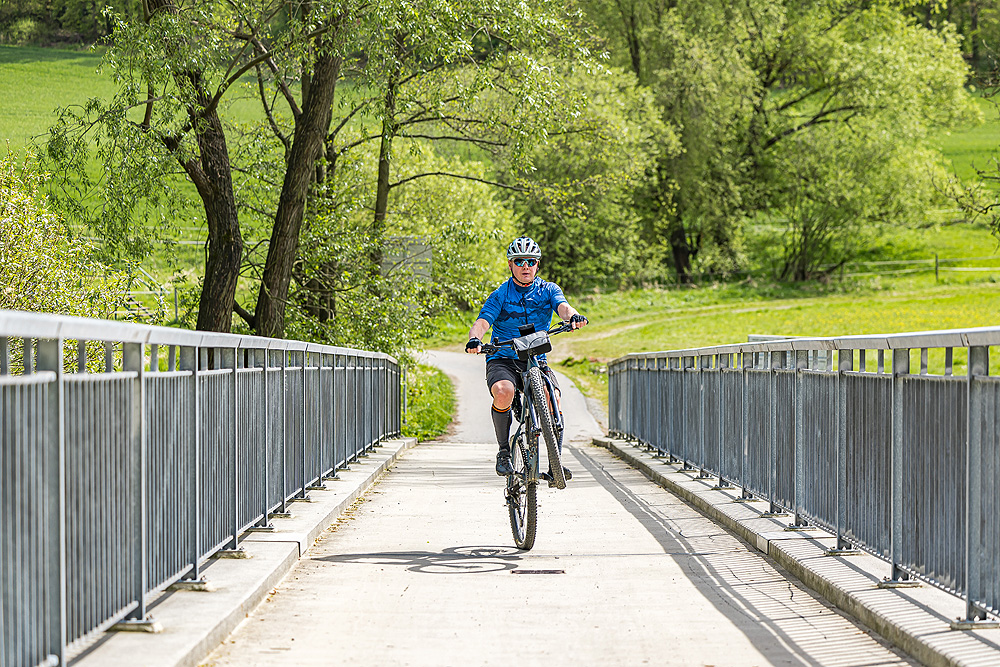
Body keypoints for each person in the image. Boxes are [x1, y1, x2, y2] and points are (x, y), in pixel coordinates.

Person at [464, 236, 589, 480]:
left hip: (535, 359)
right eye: (519, 261)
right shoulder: (501, 294)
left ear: (537, 265)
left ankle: (556, 462)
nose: (525, 266)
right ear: (510, 264)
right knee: (503, 392)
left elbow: (564, 307)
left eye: (530, 261)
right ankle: (503, 452)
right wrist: (475, 340)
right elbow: (482, 322)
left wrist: (573, 317)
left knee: (555, 402)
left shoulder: (548, 290)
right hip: (504, 358)